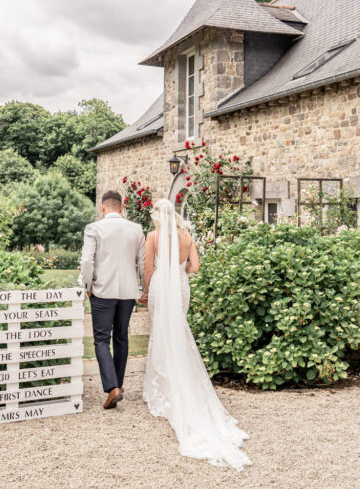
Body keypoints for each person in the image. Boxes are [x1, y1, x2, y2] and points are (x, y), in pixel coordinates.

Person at [140, 198, 251, 470]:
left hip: (160, 287)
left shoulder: (153, 236)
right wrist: (180, 271)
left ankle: (162, 385)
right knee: (178, 328)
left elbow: (149, 268)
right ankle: (180, 376)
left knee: (161, 332)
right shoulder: (187, 236)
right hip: (179, 285)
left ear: (158, 216)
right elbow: (195, 267)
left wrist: (144, 291)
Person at [79, 189, 145, 409]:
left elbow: (87, 262)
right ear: (122, 207)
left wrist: (88, 285)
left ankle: (112, 388)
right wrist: (142, 288)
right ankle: (118, 385)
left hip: (102, 291)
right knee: (121, 337)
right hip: (128, 292)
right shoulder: (136, 229)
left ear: (103, 207)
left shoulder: (94, 228)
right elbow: (143, 263)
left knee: (101, 340)